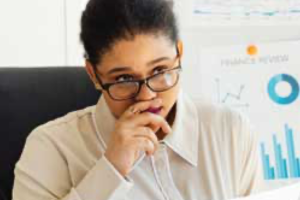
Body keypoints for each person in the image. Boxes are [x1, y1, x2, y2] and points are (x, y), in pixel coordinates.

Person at [12, 0, 263, 199]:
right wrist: (111, 169)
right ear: (94, 74)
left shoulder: (230, 131)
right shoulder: (51, 148)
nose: (147, 96)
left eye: (159, 71)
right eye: (123, 79)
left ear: (179, 54)